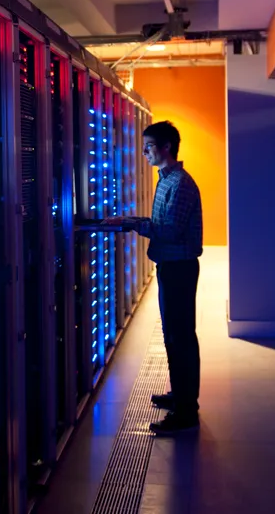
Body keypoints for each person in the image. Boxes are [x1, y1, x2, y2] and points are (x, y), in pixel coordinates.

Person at [104, 120, 203, 433]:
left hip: (179, 268)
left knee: (181, 337)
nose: (143, 152)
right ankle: (181, 395)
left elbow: (171, 231)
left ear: (166, 148)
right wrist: (130, 220)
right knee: (173, 336)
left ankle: (187, 412)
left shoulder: (181, 184)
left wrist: (132, 224)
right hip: (169, 266)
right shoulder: (165, 180)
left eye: (148, 146)